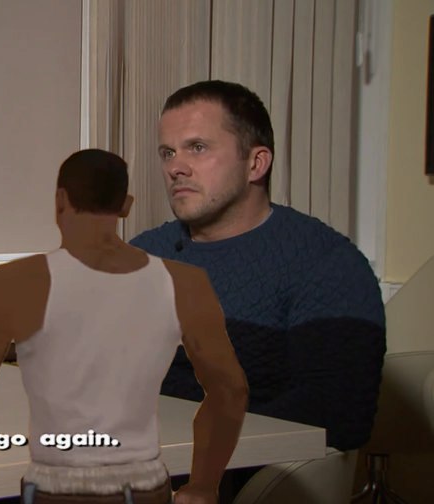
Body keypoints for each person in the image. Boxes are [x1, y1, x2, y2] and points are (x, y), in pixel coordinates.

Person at [0, 149, 248, 504]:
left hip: (55, 486)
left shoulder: (13, 282)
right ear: (126, 206)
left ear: (60, 201)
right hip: (144, 484)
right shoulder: (185, 283)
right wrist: (203, 485)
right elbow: (230, 391)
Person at [130, 80, 386, 456]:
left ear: (255, 164)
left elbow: (338, 415)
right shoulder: (142, 257)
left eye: (197, 148)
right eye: (168, 153)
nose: (175, 168)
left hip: (232, 469)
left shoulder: (326, 263)